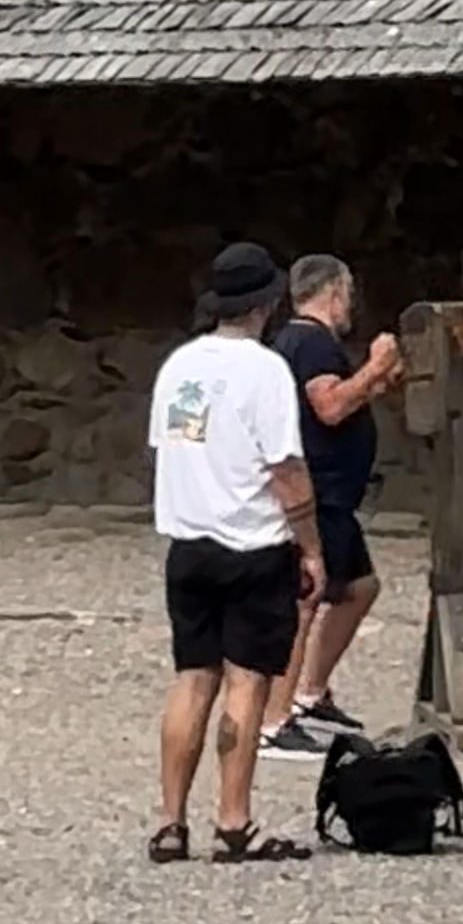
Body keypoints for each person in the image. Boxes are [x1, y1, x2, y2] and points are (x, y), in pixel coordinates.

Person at [147, 239, 324, 863]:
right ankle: (233, 819)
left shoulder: (179, 367)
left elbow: (167, 447)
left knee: (192, 679)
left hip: (187, 541)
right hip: (252, 543)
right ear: (267, 303)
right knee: (246, 685)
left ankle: (170, 821)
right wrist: (312, 548)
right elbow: (286, 469)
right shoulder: (266, 371)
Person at [261, 251, 404, 757]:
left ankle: (310, 692)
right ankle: (275, 719)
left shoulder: (297, 343)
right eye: (348, 296)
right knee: (305, 600)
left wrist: (374, 383)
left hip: (337, 497)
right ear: (334, 293)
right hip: (320, 495)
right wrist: (376, 366)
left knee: (359, 587)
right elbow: (331, 405)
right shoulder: (312, 341)